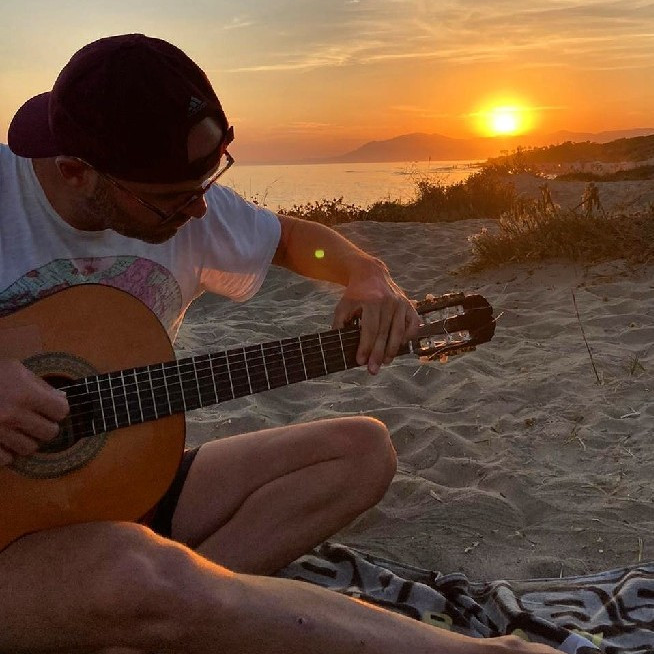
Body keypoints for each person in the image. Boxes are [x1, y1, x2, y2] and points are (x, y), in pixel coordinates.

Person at [0, 34, 560, 653]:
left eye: (206, 183)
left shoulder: (188, 203)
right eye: (170, 200)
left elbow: (293, 240)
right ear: (76, 171)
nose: (198, 212)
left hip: (112, 491)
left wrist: (366, 273)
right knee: (136, 572)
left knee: (362, 450)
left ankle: (177, 608)